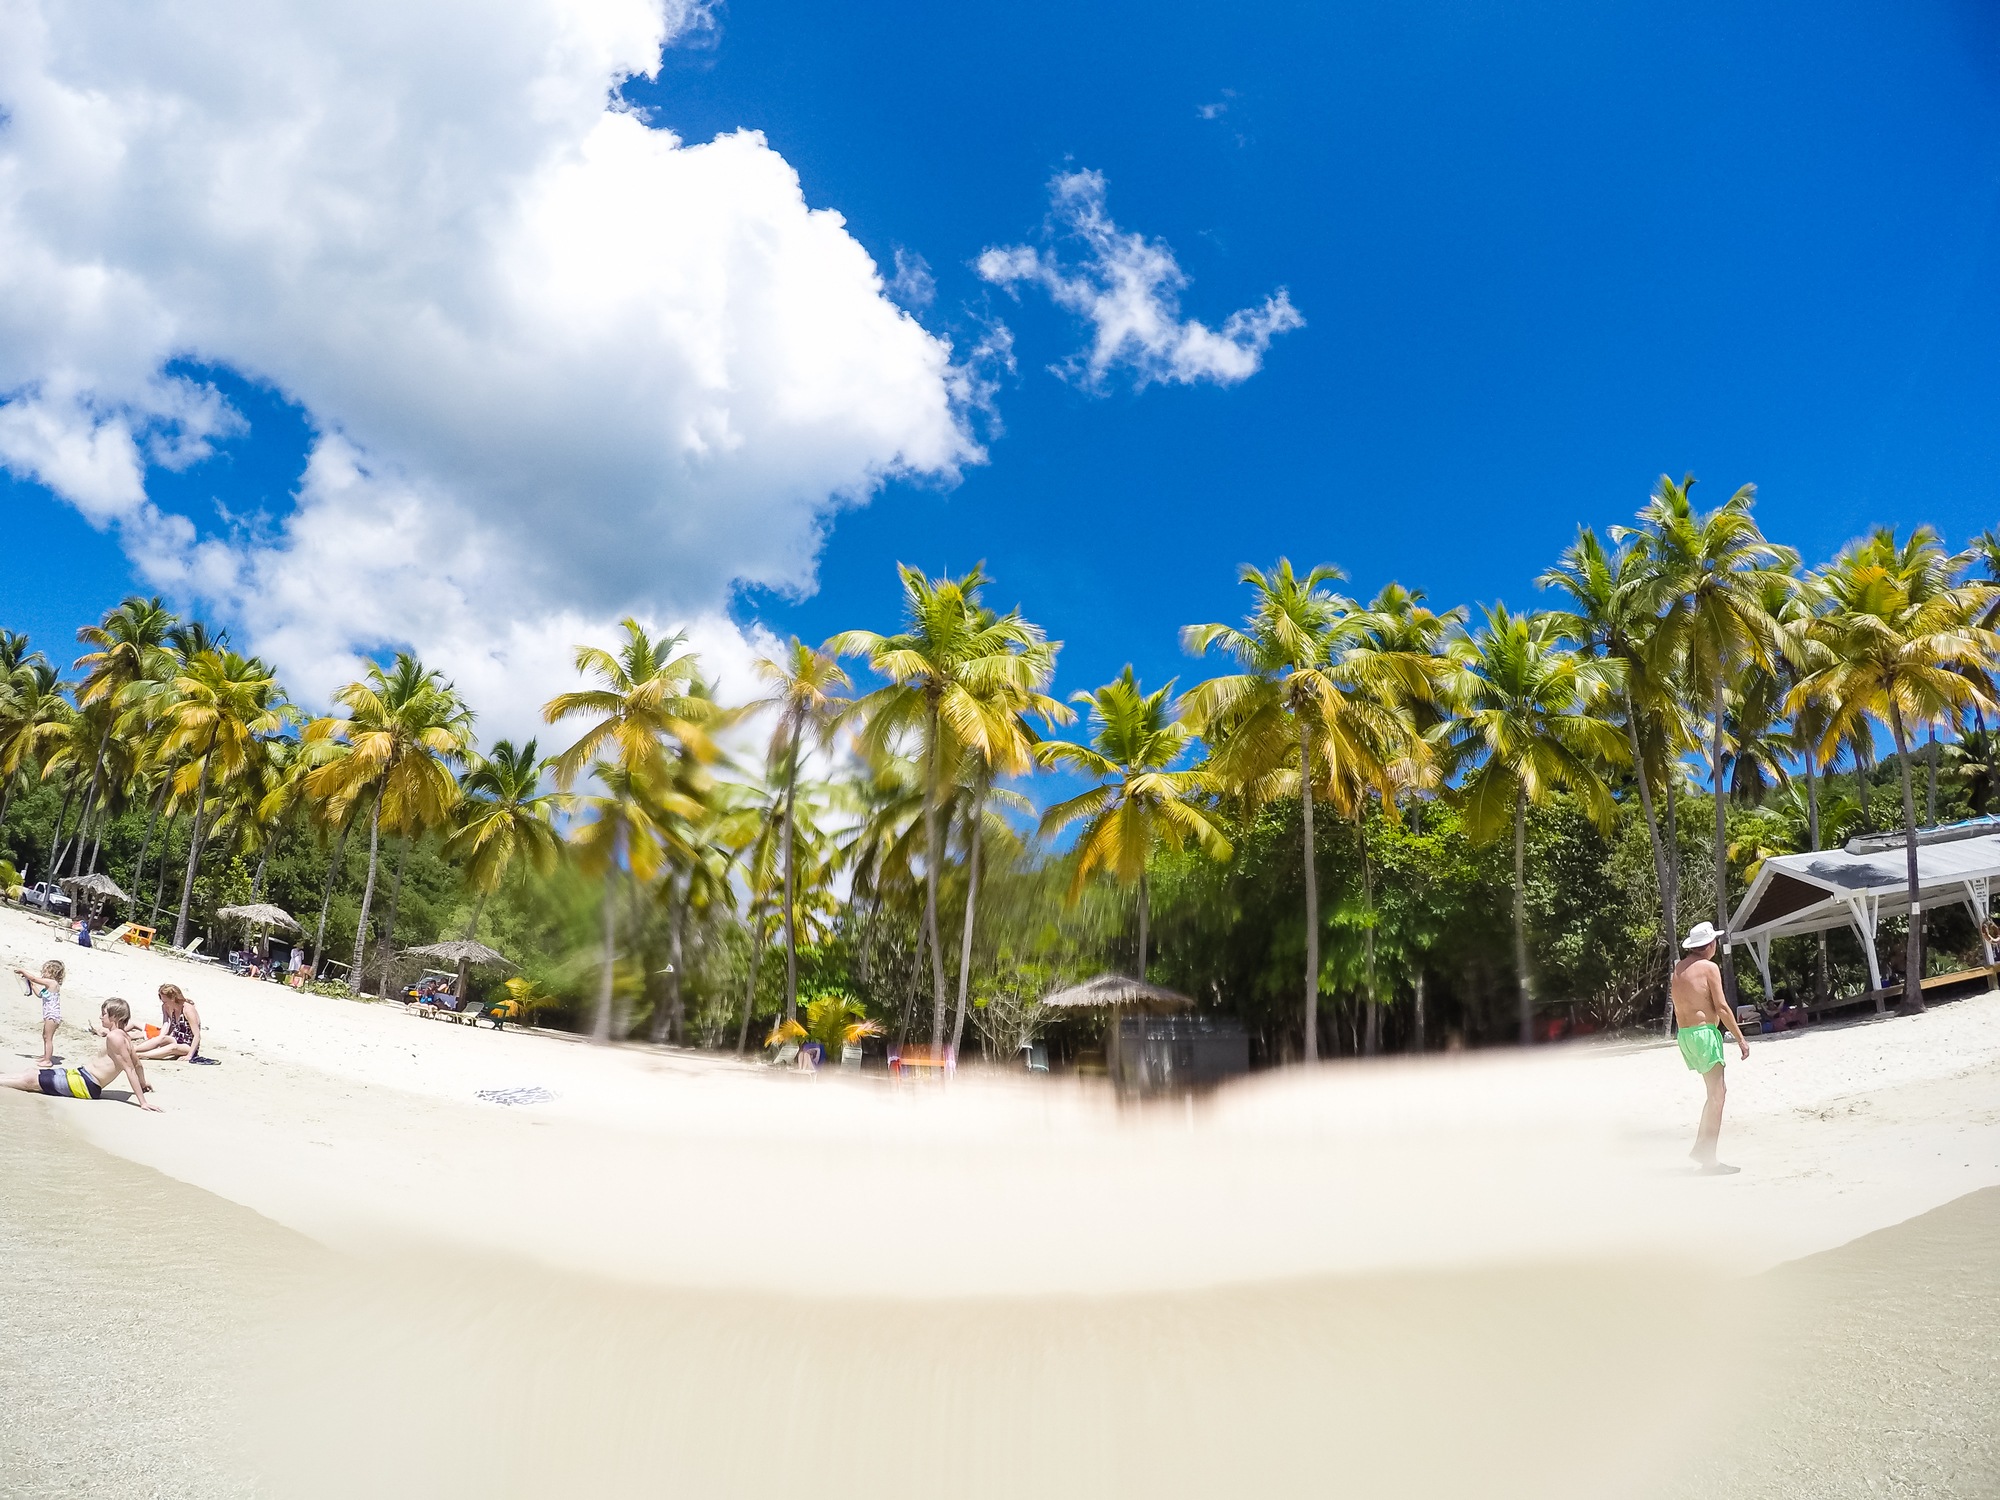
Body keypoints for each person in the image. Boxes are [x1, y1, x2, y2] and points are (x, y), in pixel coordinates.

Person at [1672, 922, 1752, 1175]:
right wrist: (1740, 1038)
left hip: (1685, 1035)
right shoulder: (1709, 967)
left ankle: (1702, 1149)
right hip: (1704, 1034)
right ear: (1709, 945)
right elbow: (1722, 1007)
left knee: (1714, 1093)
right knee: (1718, 1096)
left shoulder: (1679, 968)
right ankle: (1709, 1161)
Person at [2, 996, 160, 1110]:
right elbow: (137, 1064)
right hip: (81, 1075)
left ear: (115, 1017)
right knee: (31, 1072)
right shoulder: (124, 1036)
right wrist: (143, 1083)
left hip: (87, 1085)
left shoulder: (115, 1037)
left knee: (30, 1080)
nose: (100, 1017)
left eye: (104, 1014)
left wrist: (142, 1102)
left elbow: (129, 1069)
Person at [14, 958, 66, 1068]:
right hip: (48, 1015)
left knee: (48, 1038)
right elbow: (39, 994)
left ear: (53, 973)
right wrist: (31, 984)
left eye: (45, 971)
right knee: (45, 1036)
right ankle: (46, 1056)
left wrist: (23, 971)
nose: (43, 973)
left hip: (52, 1016)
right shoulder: (47, 988)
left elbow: (34, 978)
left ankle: (48, 1061)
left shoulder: (53, 983)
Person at [134, 983, 201, 1062]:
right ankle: (134, 1049)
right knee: (162, 1038)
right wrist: (160, 1038)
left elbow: (197, 1035)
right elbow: (166, 1024)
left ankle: (141, 1055)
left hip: (188, 1045)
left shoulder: (188, 1009)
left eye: (165, 1001)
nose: (163, 1003)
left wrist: (190, 1055)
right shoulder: (167, 1007)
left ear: (173, 998)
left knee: (173, 1047)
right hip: (176, 1039)